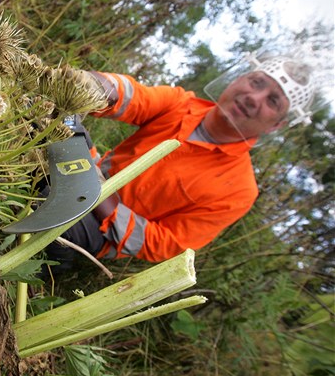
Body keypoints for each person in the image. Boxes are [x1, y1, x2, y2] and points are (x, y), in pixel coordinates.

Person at [47, 52, 316, 267]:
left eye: (273, 101)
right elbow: (132, 96)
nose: (254, 98)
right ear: (239, 79)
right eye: (257, 83)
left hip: (100, 226)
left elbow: (164, 243)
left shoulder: (239, 190)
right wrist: (90, 86)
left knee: (54, 225)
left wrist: (99, 198)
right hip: (87, 169)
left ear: (276, 126)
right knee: (58, 119)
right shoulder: (181, 104)